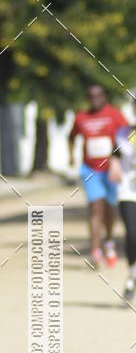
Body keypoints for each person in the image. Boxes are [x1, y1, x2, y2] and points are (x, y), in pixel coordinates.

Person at [69, 84, 128, 267]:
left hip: (112, 170)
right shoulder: (81, 117)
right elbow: (71, 137)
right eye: (91, 96)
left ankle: (109, 242)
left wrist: (128, 154)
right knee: (96, 207)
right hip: (90, 170)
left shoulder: (115, 115)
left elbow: (130, 135)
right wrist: (71, 155)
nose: (95, 99)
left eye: (98, 95)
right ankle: (95, 250)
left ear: (105, 96)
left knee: (109, 209)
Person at [109, 114, 136, 301]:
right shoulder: (122, 135)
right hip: (128, 191)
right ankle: (132, 274)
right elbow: (115, 156)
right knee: (133, 235)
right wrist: (114, 166)